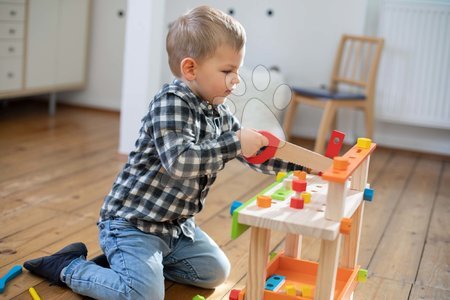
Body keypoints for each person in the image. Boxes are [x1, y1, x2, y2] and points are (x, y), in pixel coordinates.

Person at [23, 6, 307, 300]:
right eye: (227, 71)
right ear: (190, 69)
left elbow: (255, 152)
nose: (236, 80)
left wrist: (303, 168)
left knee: (215, 272)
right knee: (143, 296)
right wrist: (235, 142)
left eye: (237, 70)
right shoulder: (171, 103)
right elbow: (181, 161)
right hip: (132, 224)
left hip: (175, 228)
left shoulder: (218, 111)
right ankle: (69, 266)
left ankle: (134, 266)